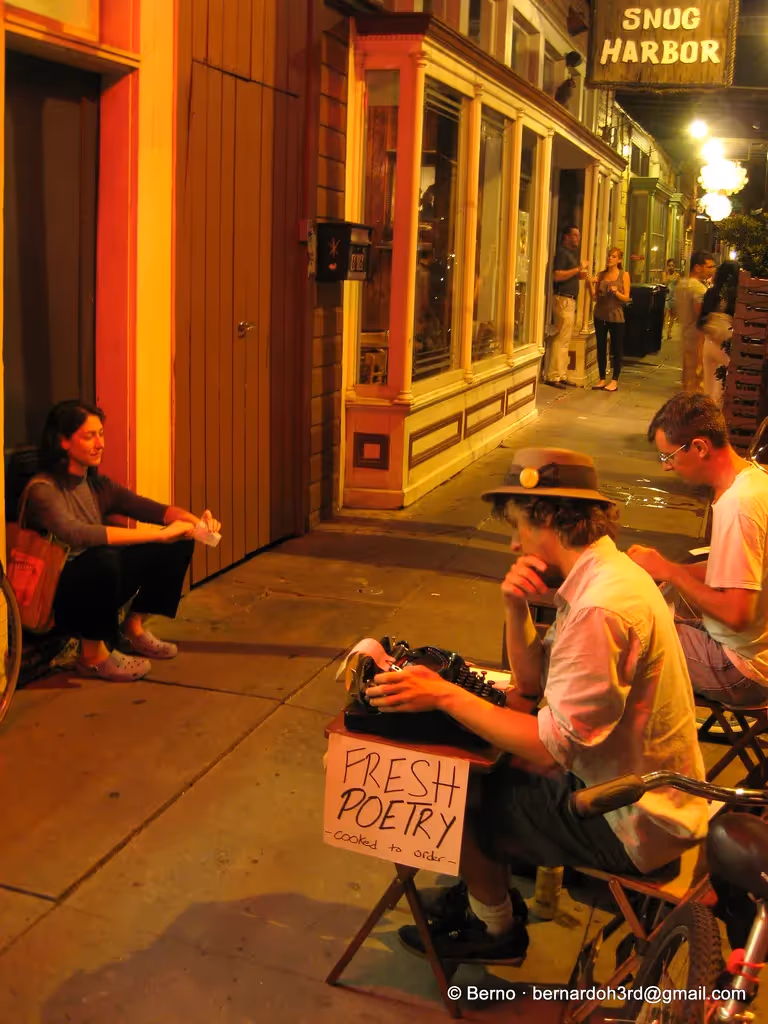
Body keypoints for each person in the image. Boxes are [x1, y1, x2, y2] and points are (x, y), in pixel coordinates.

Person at [366, 449, 708, 962]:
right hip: (633, 792)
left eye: (519, 526)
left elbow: (550, 748)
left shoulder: (600, 606)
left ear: (547, 516)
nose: (513, 542)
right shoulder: (602, 575)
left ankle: (497, 930)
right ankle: (482, 888)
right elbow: (531, 683)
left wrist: (442, 692)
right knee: (480, 771)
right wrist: (514, 604)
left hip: (634, 822)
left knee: (449, 800)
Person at [22, 400, 222, 682]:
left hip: (100, 584)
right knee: (103, 558)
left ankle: (133, 628)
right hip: (58, 596)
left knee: (177, 543)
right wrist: (157, 534)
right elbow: (77, 534)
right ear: (63, 441)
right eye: (89, 435)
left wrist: (197, 524)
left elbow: (151, 509)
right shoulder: (44, 490)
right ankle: (92, 657)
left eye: (101, 434)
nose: (100, 443)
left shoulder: (96, 484)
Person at [628, 393, 768, 707]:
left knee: (619, 638)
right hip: (750, 651)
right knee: (643, 615)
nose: (666, 467)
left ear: (700, 447)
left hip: (741, 669)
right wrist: (662, 566)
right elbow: (736, 575)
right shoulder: (752, 482)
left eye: (669, 456)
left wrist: (671, 572)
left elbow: (737, 614)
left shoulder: (740, 505)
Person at [546, 226, 589, 388]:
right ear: (566, 237)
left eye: (579, 235)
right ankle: (553, 375)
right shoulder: (562, 253)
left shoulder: (571, 254)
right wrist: (578, 268)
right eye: (574, 235)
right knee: (560, 338)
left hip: (570, 300)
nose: (577, 238)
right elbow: (557, 275)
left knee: (565, 340)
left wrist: (579, 275)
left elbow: (567, 274)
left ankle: (561, 374)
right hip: (563, 299)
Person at [587, 247, 631, 392]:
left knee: (617, 348)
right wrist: (589, 285)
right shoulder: (601, 275)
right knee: (601, 347)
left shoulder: (624, 275)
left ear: (619, 260)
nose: (610, 258)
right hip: (600, 314)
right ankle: (601, 379)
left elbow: (626, 298)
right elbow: (595, 298)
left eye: (613, 256)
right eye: (609, 256)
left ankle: (614, 380)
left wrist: (616, 292)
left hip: (616, 316)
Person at [699, 260, 739, 408]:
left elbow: (701, 320)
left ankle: (707, 417)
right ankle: (716, 420)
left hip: (709, 342)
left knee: (708, 385)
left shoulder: (711, 292)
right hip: (726, 344)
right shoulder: (736, 294)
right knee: (722, 385)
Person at [675, 251, 715, 393]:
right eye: (709, 267)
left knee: (688, 377)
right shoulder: (698, 288)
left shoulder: (683, 284)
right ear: (698, 267)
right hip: (697, 339)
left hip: (687, 335)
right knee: (697, 381)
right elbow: (701, 314)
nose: (712, 270)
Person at [662, 258, 681, 340]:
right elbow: (664, 283)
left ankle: (669, 332)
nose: (671, 267)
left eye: (672, 265)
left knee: (672, 315)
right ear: (667, 266)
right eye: (669, 265)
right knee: (663, 315)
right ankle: (662, 331)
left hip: (674, 297)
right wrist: (666, 274)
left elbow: (679, 286)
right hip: (666, 297)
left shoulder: (677, 275)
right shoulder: (665, 274)